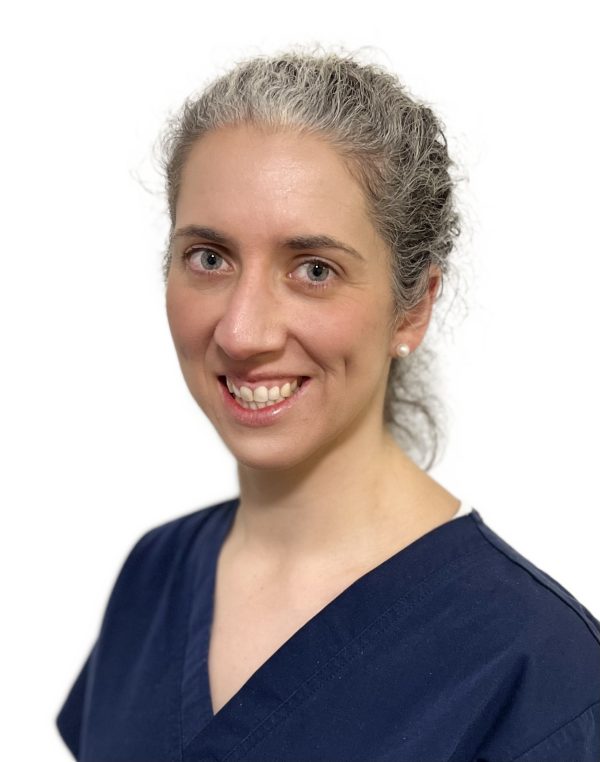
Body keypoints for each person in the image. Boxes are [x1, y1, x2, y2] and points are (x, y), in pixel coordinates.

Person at [56, 48, 600, 762]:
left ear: (413, 308)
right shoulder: (154, 579)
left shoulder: (539, 673)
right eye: (210, 258)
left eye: (314, 270)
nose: (243, 331)